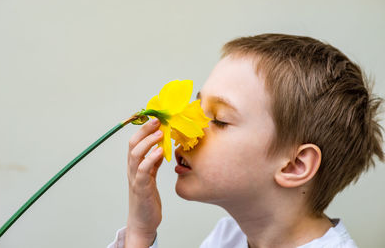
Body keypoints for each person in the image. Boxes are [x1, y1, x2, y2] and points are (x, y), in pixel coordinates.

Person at [107, 34, 384, 248]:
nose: (191, 130)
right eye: (196, 108)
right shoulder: (226, 238)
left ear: (294, 165)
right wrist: (140, 231)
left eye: (219, 120)